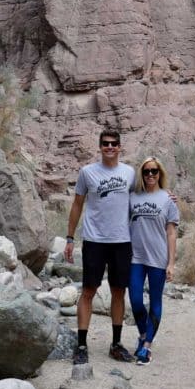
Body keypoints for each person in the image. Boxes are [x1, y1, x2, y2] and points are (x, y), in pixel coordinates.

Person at [64, 129, 136, 364]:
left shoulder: (129, 173)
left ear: (120, 146)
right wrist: (69, 238)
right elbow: (77, 205)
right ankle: (82, 346)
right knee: (88, 291)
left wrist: (167, 198)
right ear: (100, 146)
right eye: (105, 143)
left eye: (114, 143)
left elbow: (140, 200)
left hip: (122, 241)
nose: (110, 147)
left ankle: (116, 344)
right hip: (95, 241)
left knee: (118, 291)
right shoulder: (87, 173)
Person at [128, 156, 179, 366]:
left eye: (154, 171)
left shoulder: (168, 200)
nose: (150, 175)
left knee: (155, 301)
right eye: (146, 171)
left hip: (158, 258)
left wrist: (171, 263)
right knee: (136, 300)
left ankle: (147, 346)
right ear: (142, 173)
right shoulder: (132, 197)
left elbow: (172, 233)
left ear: (160, 174)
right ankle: (142, 335)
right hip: (135, 258)